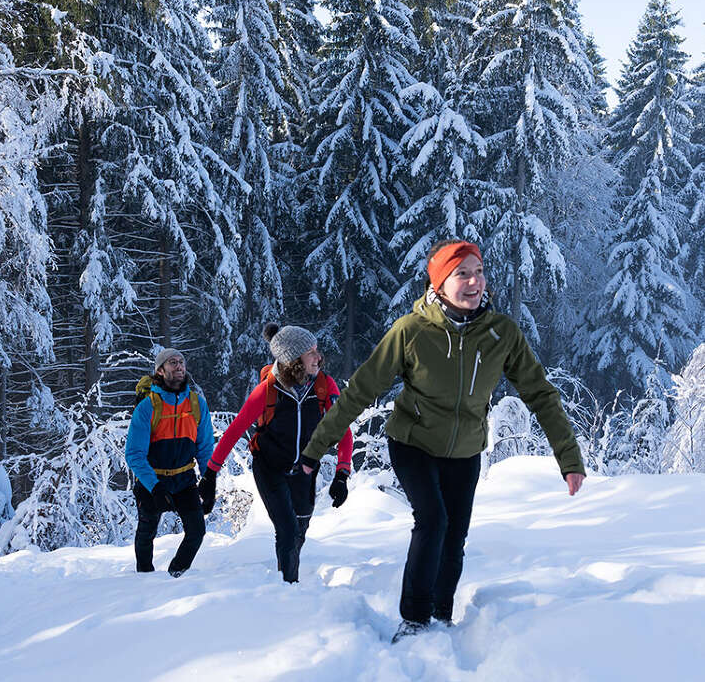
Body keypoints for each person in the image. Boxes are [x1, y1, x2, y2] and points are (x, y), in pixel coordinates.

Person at [299, 240, 585, 641]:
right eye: (461, 274)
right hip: (412, 442)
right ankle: (414, 619)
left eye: (479, 272)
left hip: (465, 450)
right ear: (439, 284)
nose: (474, 282)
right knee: (432, 521)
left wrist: (568, 459)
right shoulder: (412, 332)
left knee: (455, 534)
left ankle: (441, 614)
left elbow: (540, 393)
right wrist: (315, 450)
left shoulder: (501, 334)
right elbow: (359, 392)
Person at [203, 324, 354, 583]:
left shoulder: (324, 385)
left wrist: (342, 473)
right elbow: (234, 431)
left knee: (300, 530)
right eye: (311, 353)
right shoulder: (267, 390)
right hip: (270, 467)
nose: (319, 357)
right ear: (294, 360)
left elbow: (343, 429)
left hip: (305, 469)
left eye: (317, 351)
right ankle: (288, 591)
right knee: (286, 530)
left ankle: (286, 577)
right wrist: (210, 475)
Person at [125, 348, 216, 577]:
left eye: (181, 362)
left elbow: (205, 448)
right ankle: (144, 578)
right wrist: (154, 488)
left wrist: (209, 481)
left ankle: (176, 576)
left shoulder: (196, 404)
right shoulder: (148, 407)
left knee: (196, 531)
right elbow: (134, 454)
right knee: (147, 532)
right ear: (160, 370)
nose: (178, 366)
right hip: (152, 480)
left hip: (184, 478)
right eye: (172, 362)